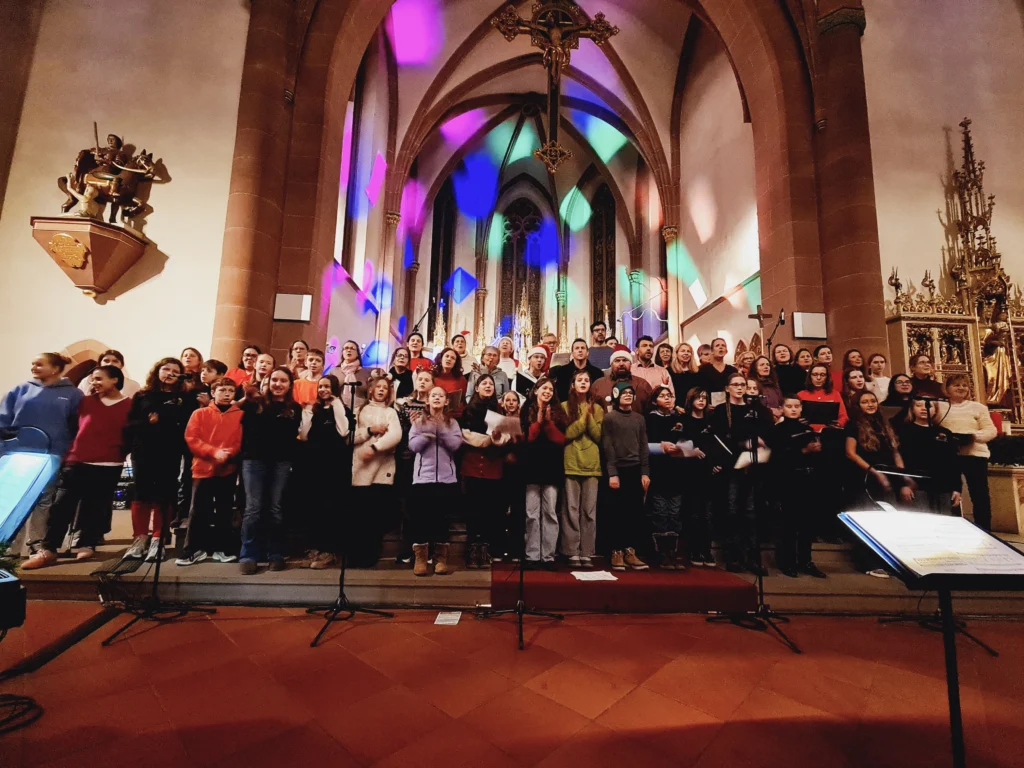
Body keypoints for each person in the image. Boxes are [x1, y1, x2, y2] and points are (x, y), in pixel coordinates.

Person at [22, 365, 131, 569]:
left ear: (115, 380)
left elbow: (130, 435)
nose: (94, 383)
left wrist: (120, 452)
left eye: (99, 378)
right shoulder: (84, 402)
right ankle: (49, 548)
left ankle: (86, 543)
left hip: (109, 463)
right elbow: (70, 427)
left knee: (95, 506)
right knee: (61, 505)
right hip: (77, 461)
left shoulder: (129, 406)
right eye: (92, 379)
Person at [2, 353, 83, 556]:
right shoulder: (20, 389)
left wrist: (68, 452)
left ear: (55, 368)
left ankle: (36, 543)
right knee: (15, 499)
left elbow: (77, 426)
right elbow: (4, 418)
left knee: (43, 500)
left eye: (39, 364)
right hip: (17, 454)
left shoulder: (73, 394)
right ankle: (9, 545)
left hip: (50, 454)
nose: (34, 367)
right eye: (33, 364)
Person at [124, 358, 189, 562]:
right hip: (143, 451)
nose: (169, 373)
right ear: (157, 371)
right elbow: (129, 423)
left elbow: (188, 423)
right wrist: (147, 422)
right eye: (165, 369)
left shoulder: (183, 398)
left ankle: (158, 539)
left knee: (164, 494)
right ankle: (140, 538)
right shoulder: (143, 396)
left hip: (169, 452)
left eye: (174, 370)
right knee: (141, 494)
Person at [238, 366, 301, 574]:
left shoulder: (294, 408)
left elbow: (290, 437)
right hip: (254, 461)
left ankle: (275, 552)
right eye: (274, 380)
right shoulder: (255, 403)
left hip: (281, 462)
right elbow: (235, 417)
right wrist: (246, 399)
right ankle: (248, 553)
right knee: (253, 509)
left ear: (290, 385)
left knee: (275, 508)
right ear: (268, 381)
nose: (278, 384)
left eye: (283, 381)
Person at [176, 378, 244, 566]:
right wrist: (213, 452)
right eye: (222, 390)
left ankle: (221, 549)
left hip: (227, 469)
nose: (227, 393)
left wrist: (228, 453)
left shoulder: (239, 415)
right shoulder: (200, 413)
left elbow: (239, 441)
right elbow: (192, 438)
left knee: (223, 510)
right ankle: (193, 549)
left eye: (231, 390)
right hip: (203, 469)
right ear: (213, 393)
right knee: (198, 510)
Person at [710, 373, 773, 574]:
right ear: (727, 388)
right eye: (735, 385)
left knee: (751, 512)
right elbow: (720, 438)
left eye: (742, 384)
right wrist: (741, 443)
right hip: (732, 466)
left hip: (752, 466)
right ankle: (733, 556)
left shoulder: (754, 410)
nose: (739, 388)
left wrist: (758, 441)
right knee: (732, 510)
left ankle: (753, 559)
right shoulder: (721, 411)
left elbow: (766, 433)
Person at [408, 385, 464, 575]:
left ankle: (440, 558)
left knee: (442, 518)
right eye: (434, 395)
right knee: (421, 518)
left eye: (441, 395)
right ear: (428, 400)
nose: (437, 398)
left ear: (446, 401)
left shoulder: (452, 423)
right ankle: (421, 558)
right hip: (423, 478)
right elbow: (413, 445)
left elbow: (456, 445)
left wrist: (441, 430)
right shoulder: (419, 421)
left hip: (446, 478)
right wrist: (427, 434)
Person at [298, 375, 351, 569]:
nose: (323, 390)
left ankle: (330, 551)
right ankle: (315, 549)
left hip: (334, 465)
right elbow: (303, 435)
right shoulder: (313, 409)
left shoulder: (341, 408)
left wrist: (336, 403)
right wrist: (307, 412)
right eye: (320, 386)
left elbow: (344, 430)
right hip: (314, 464)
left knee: (331, 507)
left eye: (327, 386)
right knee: (315, 507)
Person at [351, 372, 402, 566]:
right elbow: (350, 436)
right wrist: (369, 432)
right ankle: (357, 555)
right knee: (359, 515)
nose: (381, 390)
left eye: (385, 388)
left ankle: (371, 554)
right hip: (360, 468)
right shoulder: (360, 410)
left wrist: (375, 447)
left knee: (375, 515)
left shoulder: (391, 412)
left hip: (381, 468)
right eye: (378, 387)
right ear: (371, 390)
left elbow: (395, 435)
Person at [773, 397, 826, 578]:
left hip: (809, 479)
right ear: (782, 409)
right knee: (789, 524)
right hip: (788, 480)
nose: (793, 410)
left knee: (807, 524)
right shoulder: (778, 430)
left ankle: (806, 561)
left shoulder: (807, 429)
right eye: (789, 406)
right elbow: (778, 458)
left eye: (797, 406)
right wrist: (803, 451)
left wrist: (818, 449)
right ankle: (786, 561)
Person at [460, 374, 510, 568]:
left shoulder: (500, 410)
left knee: (492, 511)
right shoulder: (467, 410)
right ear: (477, 388)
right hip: (472, 466)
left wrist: (498, 439)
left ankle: (488, 550)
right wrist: (488, 440)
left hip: (493, 467)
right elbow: (464, 435)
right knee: (473, 511)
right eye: (484, 383)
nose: (488, 386)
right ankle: (473, 551)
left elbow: (506, 436)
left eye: (491, 383)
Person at [602, 381, 650, 571]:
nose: (628, 395)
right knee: (617, 513)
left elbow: (643, 446)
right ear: (616, 396)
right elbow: (608, 446)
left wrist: (645, 472)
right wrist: (613, 473)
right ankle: (616, 551)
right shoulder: (610, 418)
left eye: (631, 393)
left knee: (634, 512)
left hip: (635, 468)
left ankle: (630, 551)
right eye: (624, 393)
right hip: (618, 469)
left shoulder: (639, 419)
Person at [519, 376, 567, 567]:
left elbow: (561, 439)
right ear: (536, 390)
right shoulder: (526, 410)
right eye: (543, 388)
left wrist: (547, 422)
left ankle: (548, 555)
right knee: (532, 513)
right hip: (531, 466)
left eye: (550, 389)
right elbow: (527, 438)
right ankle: (532, 555)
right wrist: (538, 421)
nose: (547, 391)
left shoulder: (558, 412)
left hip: (551, 467)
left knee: (550, 512)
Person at [943, 374, 996, 531]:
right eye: (956, 385)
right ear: (947, 389)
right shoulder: (940, 406)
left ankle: (984, 530)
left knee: (979, 495)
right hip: (950, 456)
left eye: (964, 385)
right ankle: (954, 529)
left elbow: (990, 430)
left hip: (975, 455)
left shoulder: (978, 407)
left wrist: (973, 437)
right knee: (951, 494)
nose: (961, 388)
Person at [561, 369, 602, 568]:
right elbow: (566, 434)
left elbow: (598, 436)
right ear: (573, 384)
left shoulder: (599, 409)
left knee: (589, 511)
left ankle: (587, 551)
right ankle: (571, 551)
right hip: (570, 462)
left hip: (592, 464)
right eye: (580, 380)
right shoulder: (563, 407)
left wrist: (589, 415)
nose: (583, 382)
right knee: (571, 509)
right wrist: (583, 419)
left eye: (587, 380)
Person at [394, 369, 434, 565]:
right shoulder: (405, 405)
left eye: (427, 380)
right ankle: (408, 549)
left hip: (430, 461)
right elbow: (400, 432)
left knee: (428, 506)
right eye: (420, 379)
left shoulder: (435, 405)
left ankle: (429, 550)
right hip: (408, 459)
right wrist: (411, 427)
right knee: (408, 506)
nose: (423, 382)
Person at [897, 396, 961, 514]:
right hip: (917, 485)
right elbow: (899, 459)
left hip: (943, 485)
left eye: (928, 406)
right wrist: (903, 484)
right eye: (918, 405)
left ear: (936, 410)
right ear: (912, 409)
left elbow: (953, 461)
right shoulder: (904, 431)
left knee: (944, 521)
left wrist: (957, 488)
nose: (924, 408)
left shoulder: (944, 432)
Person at [645, 386, 687, 569]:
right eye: (662, 396)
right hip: (658, 471)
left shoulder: (678, 419)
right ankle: (660, 553)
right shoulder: (649, 419)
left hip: (676, 472)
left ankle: (673, 553)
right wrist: (659, 446)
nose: (667, 399)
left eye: (669, 395)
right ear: (655, 401)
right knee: (660, 512)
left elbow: (688, 441)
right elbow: (642, 444)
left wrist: (682, 448)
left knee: (675, 513)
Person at [681, 387, 714, 566]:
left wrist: (716, 463)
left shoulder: (711, 421)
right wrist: (690, 451)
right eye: (698, 398)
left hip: (708, 471)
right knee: (693, 512)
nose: (701, 401)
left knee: (707, 514)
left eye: (704, 398)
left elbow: (717, 443)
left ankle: (706, 550)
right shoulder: (684, 420)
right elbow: (678, 442)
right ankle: (693, 550)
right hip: (691, 470)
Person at [592, 347, 654, 413]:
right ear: (611, 364)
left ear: (631, 364)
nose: (621, 364)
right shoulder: (599, 385)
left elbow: (651, 411)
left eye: (625, 360)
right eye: (617, 361)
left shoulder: (642, 385)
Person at [798, 363, 848, 431]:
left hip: (829, 433)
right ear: (810, 377)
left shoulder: (835, 394)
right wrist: (798, 422)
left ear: (827, 377)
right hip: (805, 432)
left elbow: (843, 417)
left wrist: (837, 424)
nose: (818, 378)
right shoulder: (801, 394)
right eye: (815, 374)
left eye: (822, 375)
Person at [697, 338, 739, 405]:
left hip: (729, 406)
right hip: (708, 408)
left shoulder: (732, 370)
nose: (721, 347)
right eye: (717, 345)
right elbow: (698, 390)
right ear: (712, 351)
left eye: (723, 345)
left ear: (726, 351)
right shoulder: (702, 370)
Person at [432, 347, 468, 417]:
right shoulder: (432, 376)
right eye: (447, 356)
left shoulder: (461, 379)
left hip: (454, 417)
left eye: (452, 358)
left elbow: (464, 401)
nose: (449, 359)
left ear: (455, 363)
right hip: (434, 415)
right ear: (441, 358)